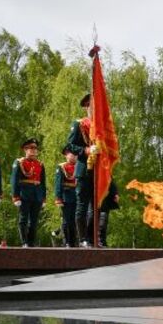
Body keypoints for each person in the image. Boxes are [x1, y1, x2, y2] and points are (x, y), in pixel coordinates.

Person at [64, 93, 95, 246]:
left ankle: (93, 238)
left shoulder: (103, 126)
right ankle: (83, 239)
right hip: (84, 169)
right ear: (86, 107)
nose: (95, 107)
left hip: (99, 171)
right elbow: (70, 145)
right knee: (82, 205)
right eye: (92, 105)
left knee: (97, 207)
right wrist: (86, 150)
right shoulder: (79, 124)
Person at [10, 138, 46, 247]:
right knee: (23, 219)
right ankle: (24, 241)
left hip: (37, 195)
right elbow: (14, 180)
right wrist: (15, 196)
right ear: (25, 149)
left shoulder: (40, 164)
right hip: (24, 194)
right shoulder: (20, 162)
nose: (34, 150)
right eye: (31, 148)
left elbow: (43, 182)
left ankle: (31, 242)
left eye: (35, 148)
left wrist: (44, 197)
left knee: (34, 221)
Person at [54, 147, 80, 247]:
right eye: (71, 153)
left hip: (77, 197)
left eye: (75, 154)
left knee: (75, 221)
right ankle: (67, 241)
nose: (74, 155)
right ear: (66, 155)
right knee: (66, 220)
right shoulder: (62, 167)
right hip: (66, 197)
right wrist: (58, 198)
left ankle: (73, 242)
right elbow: (58, 184)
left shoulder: (80, 166)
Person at [90, 180, 118, 248]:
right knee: (91, 221)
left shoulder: (105, 170)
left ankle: (102, 241)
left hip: (104, 202)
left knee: (103, 223)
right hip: (92, 201)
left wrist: (115, 193)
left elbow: (110, 181)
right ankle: (91, 241)